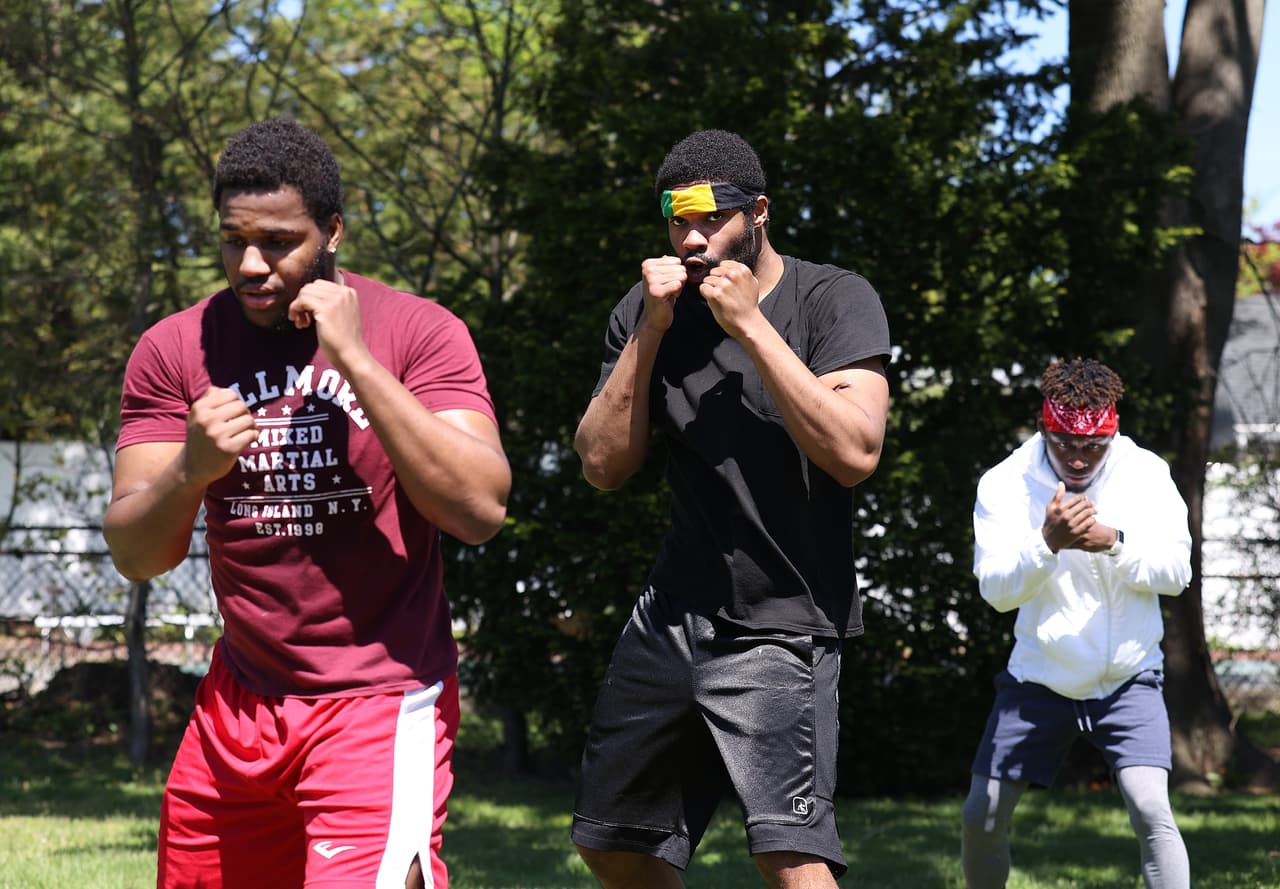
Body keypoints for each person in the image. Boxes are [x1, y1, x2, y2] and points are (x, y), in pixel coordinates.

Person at [102, 117, 511, 889]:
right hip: (238, 708)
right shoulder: (175, 348)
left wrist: (354, 357)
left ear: (332, 232)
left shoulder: (418, 332)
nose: (251, 265)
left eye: (279, 241)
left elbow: (479, 508)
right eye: (232, 240)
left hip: (377, 700)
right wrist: (189, 468)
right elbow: (136, 552)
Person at [570, 129, 891, 889]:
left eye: (711, 221)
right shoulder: (646, 312)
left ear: (760, 214)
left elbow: (854, 450)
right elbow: (603, 465)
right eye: (677, 222)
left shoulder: (831, 299)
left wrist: (749, 324)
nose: (692, 240)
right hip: (673, 613)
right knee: (612, 840)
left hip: (785, 621)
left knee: (792, 859)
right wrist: (650, 328)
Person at [961, 357, 1192, 889]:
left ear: (1112, 432)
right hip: (1039, 676)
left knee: (1151, 810)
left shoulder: (1147, 473)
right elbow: (996, 592)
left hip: (1129, 677)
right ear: (1045, 427)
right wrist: (1048, 545)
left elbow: (1177, 573)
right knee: (981, 816)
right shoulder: (1006, 482)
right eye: (1064, 442)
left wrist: (1112, 542)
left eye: (1093, 446)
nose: (1078, 457)